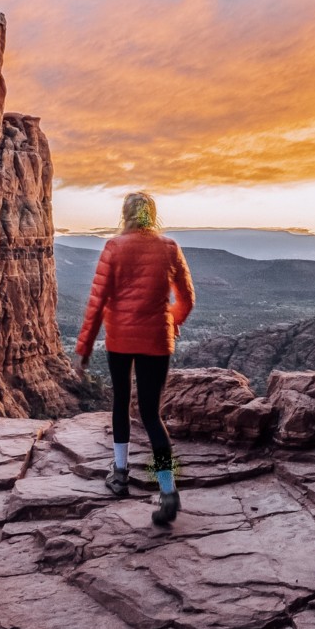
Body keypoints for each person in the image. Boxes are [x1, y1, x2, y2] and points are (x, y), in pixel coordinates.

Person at [76, 191, 195, 525]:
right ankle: (168, 489)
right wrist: (173, 320)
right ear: (151, 215)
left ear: (125, 215)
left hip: (120, 339)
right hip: (157, 339)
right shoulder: (169, 247)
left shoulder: (114, 247)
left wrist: (84, 349)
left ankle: (120, 474)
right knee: (151, 415)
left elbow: (96, 302)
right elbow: (186, 298)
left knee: (120, 406)